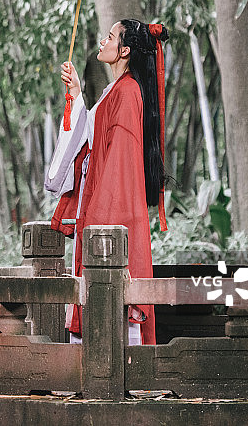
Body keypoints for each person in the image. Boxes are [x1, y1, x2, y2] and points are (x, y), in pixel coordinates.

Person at [45, 19, 169, 346]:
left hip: (114, 209)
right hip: (99, 197)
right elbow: (91, 137)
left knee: (115, 290)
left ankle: (118, 373)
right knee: (102, 291)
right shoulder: (115, 89)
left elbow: (119, 163)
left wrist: (100, 220)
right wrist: (76, 94)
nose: (103, 41)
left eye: (110, 37)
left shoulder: (128, 92)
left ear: (124, 50)